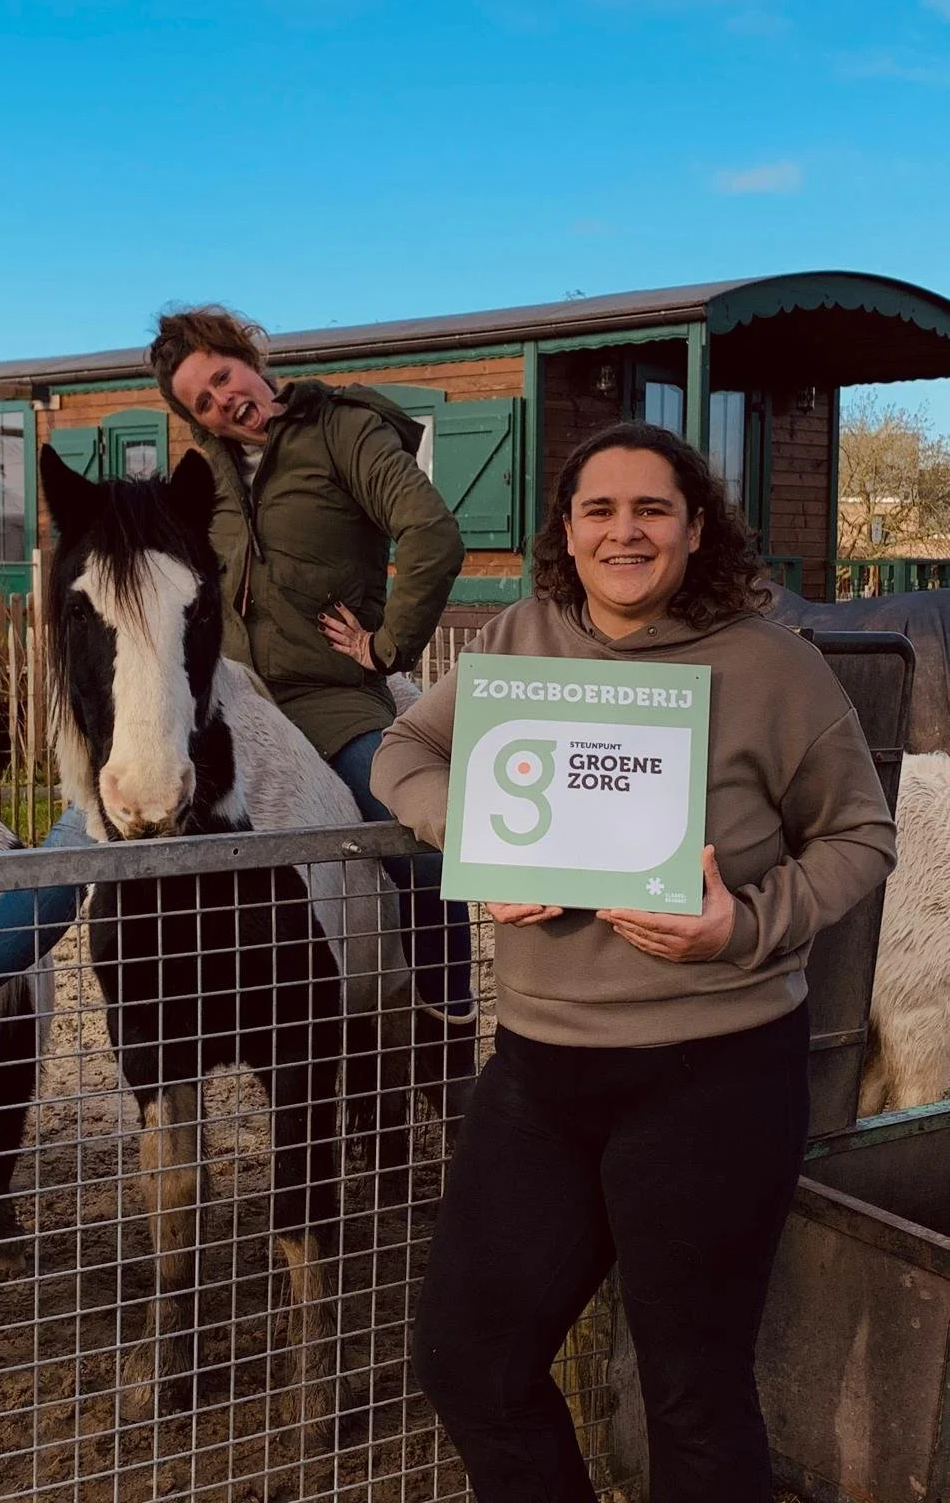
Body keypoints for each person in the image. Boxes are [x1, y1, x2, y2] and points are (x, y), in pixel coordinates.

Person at [369, 421, 898, 1503]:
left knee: (691, 1397)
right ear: (566, 532)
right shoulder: (519, 639)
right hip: (538, 1069)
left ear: (695, 528)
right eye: (597, 510)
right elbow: (403, 748)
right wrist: (469, 833)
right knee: (471, 1363)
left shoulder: (773, 666)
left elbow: (860, 835)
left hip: (714, 1070)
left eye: (651, 509)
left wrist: (743, 925)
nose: (624, 531)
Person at [0, 305, 474, 1108]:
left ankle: (444, 1027)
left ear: (250, 357)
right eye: (201, 401)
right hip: (223, 692)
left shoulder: (344, 431)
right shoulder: (206, 474)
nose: (223, 402)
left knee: (417, 839)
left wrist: (386, 645)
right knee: (74, 843)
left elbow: (431, 533)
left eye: (223, 377)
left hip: (330, 700)